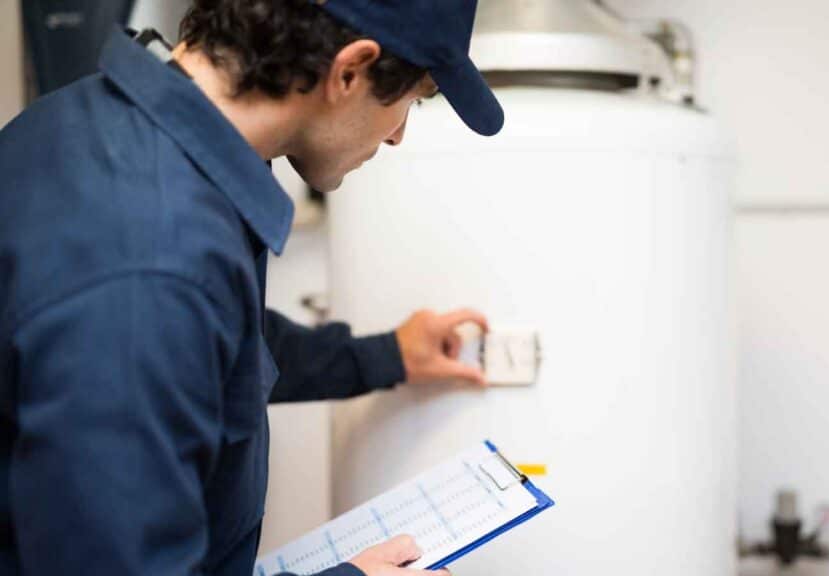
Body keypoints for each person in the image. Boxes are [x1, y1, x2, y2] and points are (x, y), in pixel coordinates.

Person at [0, 0, 504, 574]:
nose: (398, 136)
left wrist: (383, 357)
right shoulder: (151, 262)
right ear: (348, 72)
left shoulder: (99, 127)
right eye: (412, 100)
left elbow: (214, 349)